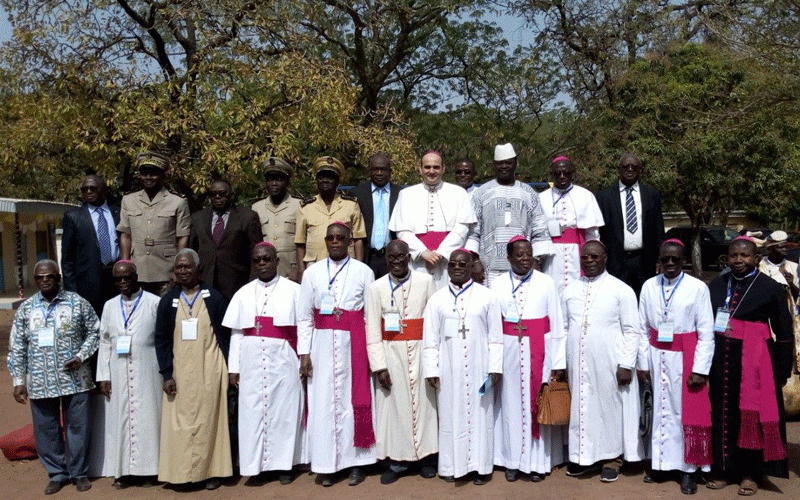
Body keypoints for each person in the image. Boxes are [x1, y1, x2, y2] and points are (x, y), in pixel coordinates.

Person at [706, 237, 794, 496]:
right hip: (722, 357)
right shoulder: (717, 284)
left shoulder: (771, 287)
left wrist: (781, 370)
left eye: (744, 256)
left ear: (756, 258)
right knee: (723, 412)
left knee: (750, 416)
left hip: (756, 362)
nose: (738, 260)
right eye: (734, 255)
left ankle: (751, 473)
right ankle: (724, 468)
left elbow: (785, 332)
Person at [7, 260, 100, 495]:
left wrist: (81, 355)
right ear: (36, 280)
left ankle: (79, 473)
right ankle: (57, 473)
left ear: (58, 277)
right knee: (46, 430)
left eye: (49, 276)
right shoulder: (26, 309)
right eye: (40, 277)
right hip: (40, 381)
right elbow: (17, 346)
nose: (45, 280)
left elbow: (96, 332)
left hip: (75, 379)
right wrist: (19, 381)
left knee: (78, 428)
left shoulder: (77, 303)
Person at [297, 222, 376, 486]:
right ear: (325, 240)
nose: (335, 242)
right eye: (330, 237)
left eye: (340, 238)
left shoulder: (364, 271)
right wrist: (304, 352)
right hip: (321, 344)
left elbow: (369, 314)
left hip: (354, 343)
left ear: (350, 240)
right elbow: (305, 317)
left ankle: (357, 462)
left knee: (353, 401)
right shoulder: (312, 273)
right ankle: (327, 464)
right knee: (325, 402)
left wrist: (368, 350)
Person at [223, 242, 307, 485]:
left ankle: (284, 465)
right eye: (257, 260)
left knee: (284, 413)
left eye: (267, 259)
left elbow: (303, 328)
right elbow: (237, 333)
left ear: (277, 261)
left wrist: (304, 358)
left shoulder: (294, 290)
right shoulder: (243, 293)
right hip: (251, 363)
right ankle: (256, 467)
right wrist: (234, 368)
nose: (262, 264)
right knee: (253, 414)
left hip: (283, 360)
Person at [562, 241, 643, 482]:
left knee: (609, 409)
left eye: (594, 256)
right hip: (578, 361)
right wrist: (561, 364)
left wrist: (626, 364)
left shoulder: (621, 290)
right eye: (585, 257)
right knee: (582, 408)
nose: (589, 260)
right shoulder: (569, 290)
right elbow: (564, 328)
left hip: (611, 362)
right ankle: (584, 457)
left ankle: (612, 458)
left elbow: (631, 330)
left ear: (605, 257)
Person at [637, 240, 715, 494]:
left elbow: (706, 333)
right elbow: (641, 327)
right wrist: (643, 363)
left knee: (682, 413)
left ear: (684, 261)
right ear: (659, 260)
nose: (670, 264)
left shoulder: (698, 288)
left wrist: (700, 370)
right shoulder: (649, 286)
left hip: (685, 357)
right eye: (665, 260)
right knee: (659, 410)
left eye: (676, 260)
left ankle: (687, 470)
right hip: (657, 354)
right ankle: (661, 465)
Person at [422, 249, 503, 485]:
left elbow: (496, 337)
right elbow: (430, 339)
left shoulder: (488, 297)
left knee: (481, 415)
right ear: (447, 268)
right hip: (449, 368)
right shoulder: (436, 299)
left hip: (480, 368)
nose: (457, 267)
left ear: (471, 268)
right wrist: (431, 370)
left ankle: (481, 466)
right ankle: (450, 465)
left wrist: (495, 368)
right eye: (453, 264)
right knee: (450, 416)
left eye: (462, 264)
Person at [154, 249, 232, 490]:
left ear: (198, 269)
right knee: (179, 424)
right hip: (179, 373)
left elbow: (226, 336)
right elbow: (161, 339)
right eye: (179, 267)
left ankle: (212, 473)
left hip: (209, 369)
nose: (183, 271)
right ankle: (182, 474)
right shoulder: (168, 301)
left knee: (211, 422)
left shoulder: (215, 298)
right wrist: (166, 373)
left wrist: (230, 369)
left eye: (188, 267)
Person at [491, 236, 566, 482]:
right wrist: (494, 362)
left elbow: (556, 323)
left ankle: (537, 463)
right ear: (509, 257)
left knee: (537, 403)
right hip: (510, 351)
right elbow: (493, 326)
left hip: (539, 350)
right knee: (510, 404)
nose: (525, 259)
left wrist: (558, 363)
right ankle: (512, 461)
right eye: (519, 255)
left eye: (529, 254)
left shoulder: (546, 282)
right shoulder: (498, 284)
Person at [365, 239, 437, 484]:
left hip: (419, 350)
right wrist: (379, 366)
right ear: (386, 260)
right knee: (395, 409)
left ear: (409, 258)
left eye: (401, 257)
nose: (396, 262)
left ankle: (427, 459)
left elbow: (433, 322)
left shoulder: (426, 281)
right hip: (391, 353)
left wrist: (432, 359)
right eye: (391, 258)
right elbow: (373, 329)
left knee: (426, 406)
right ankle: (398, 462)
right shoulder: (376, 288)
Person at [96, 260, 162, 489]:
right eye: (118, 279)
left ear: (136, 277)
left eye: (127, 278)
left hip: (147, 370)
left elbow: (164, 339)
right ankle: (122, 472)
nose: (122, 283)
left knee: (147, 419)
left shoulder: (155, 302)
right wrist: (103, 375)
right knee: (120, 420)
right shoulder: (109, 306)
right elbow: (104, 341)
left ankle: (149, 471)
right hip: (117, 370)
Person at [467, 143, 553, 286]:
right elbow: (472, 230)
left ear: (515, 163)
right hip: (488, 269)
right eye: (500, 163)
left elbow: (539, 229)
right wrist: (474, 261)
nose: (504, 166)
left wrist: (536, 260)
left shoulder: (529, 193)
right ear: (494, 165)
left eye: (508, 163)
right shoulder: (482, 193)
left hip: (523, 267)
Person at [389, 151, 475, 289]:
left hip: (448, 261)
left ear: (443, 169)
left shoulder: (459, 193)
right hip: (417, 261)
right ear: (420, 169)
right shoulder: (406, 194)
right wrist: (423, 253)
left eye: (436, 167)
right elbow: (402, 230)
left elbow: (462, 228)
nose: (431, 171)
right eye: (427, 167)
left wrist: (441, 253)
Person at [117, 151, 191, 296]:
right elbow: (126, 235)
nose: (148, 177)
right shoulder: (128, 200)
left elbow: (182, 238)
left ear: (163, 176)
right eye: (144, 173)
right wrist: (125, 265)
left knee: (165, 313)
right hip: (137, 271)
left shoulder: (178, 202)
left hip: (166, 271)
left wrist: (179, 269)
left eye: (154, 173)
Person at [595, 153, 665, 297]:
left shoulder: (652, 195)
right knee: (616, 299)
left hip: (645, 261)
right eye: (626, 166)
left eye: (634, 166)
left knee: (645, 299)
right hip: (615, 261)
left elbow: (659, 229)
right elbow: (600, 233)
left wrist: (660, 257)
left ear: (640, 169)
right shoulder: (604, 197)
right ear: (618, 169)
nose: (630, 169)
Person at [538, 156, 604, 297]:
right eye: (557, 174)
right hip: (552, 256)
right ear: (552, 174)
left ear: (572, 172)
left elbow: (593, 234)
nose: (562, 176)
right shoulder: (541, 198)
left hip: (577, 253)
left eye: (566, 173)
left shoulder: (586, 196)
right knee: (552, 292)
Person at [190, 179, 262, 304]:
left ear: (231, 195)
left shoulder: (248, 217)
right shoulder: (198, 218)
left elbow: (255, 252)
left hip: (236, 282)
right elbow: (192, 250)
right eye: (213, 194)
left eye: (222, 193)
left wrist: (254, 282)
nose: (217, 197)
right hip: (205, 281)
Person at [61, 173, 120, 316]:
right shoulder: (73, 217)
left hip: (117, 280)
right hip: (88, 285)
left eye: (92, 188)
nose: (88, 192)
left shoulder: (119, 212)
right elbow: (67, 259)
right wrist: (71, 292)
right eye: (84, 189)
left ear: (104, 190)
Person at [295, 156, 367, 274]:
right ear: (317, 180)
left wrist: (360, 269)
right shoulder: (305, 207)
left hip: (346, 266)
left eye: (330, 177)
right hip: (315, 266)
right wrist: (301, 272)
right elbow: (300, 243)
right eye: (321, 177)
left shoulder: (351, 205)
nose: (325, 181)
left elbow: (358, 239)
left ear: (337, 181)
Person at [350, 153, 403, 278]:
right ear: (369, 171)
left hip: (392, 257)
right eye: (375, 169)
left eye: (383, 169)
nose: (379, 173)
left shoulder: (400, 193)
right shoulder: (357, 193)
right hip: (366, 256)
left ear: (390, 171)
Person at [251, 157, 303, 281]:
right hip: (264, 269)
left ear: (287, 181)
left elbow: (303, 241)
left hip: (290, 269)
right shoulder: (257, 207)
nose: (274, 183)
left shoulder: (299, 205)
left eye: (279, 179)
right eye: (270, 179)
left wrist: (299, 269)